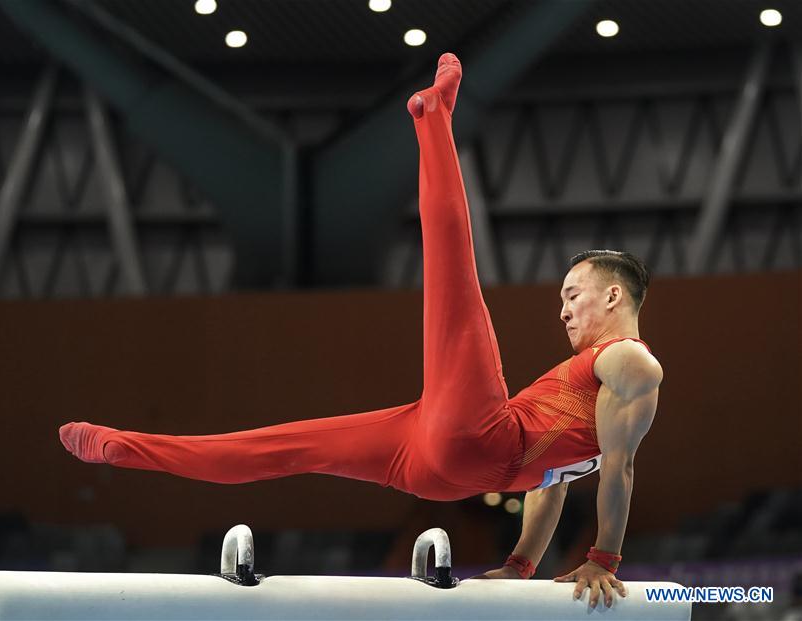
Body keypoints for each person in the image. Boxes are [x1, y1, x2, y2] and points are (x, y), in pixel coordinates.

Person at [59, 53, 662, 609]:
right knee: (282, 446)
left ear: (614, 295)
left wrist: (603, 559)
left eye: (572, 295)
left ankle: (435, 119)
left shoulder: (629, 363)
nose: (561, 310)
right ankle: (123, 446)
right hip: (439, 456)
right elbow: (552, 482)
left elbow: (619, 468)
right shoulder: (593, 378)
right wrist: (521, 564)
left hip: (477, 442)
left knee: (454, 274)